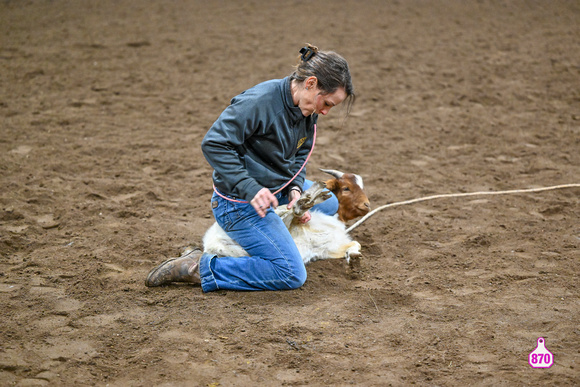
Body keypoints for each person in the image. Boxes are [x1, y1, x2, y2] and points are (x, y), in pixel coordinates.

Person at [145, 44, 355, 292]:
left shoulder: (307, 107)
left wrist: (296, 190)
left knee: (331, 202)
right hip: (239, 201)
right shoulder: (259, 102)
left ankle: (282, 212)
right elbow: (214, 144)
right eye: (328, 103)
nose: (326, 112)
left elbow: (300, 152)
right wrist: (250, 188)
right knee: (290, 273)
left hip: (277, 187)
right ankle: (197, 267)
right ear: (310, 83)